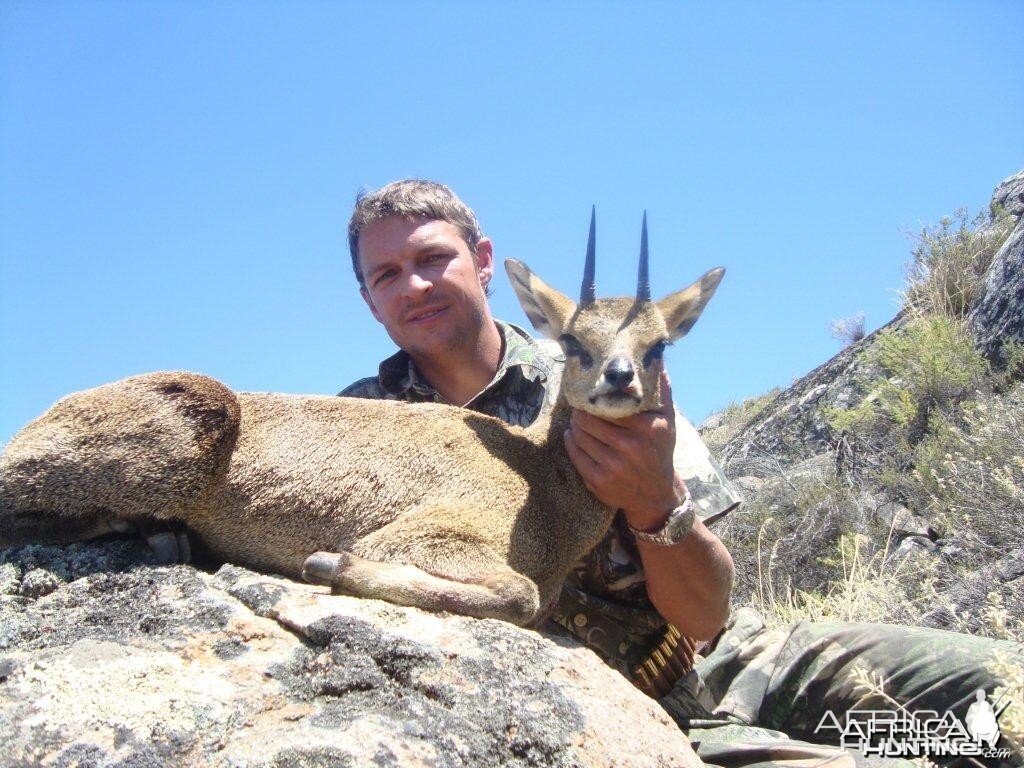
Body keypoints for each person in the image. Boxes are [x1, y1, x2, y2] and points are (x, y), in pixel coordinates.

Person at [340, 179, 1021, 768]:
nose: (416, 285)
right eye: (387, 275)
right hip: (621, 713)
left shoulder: (614, 370)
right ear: (368, 301)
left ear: (484, 262)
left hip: (740, 658)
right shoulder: (361, 431)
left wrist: (654, 501)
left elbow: (705, 612)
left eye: (433, 258)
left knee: (1004, 694)